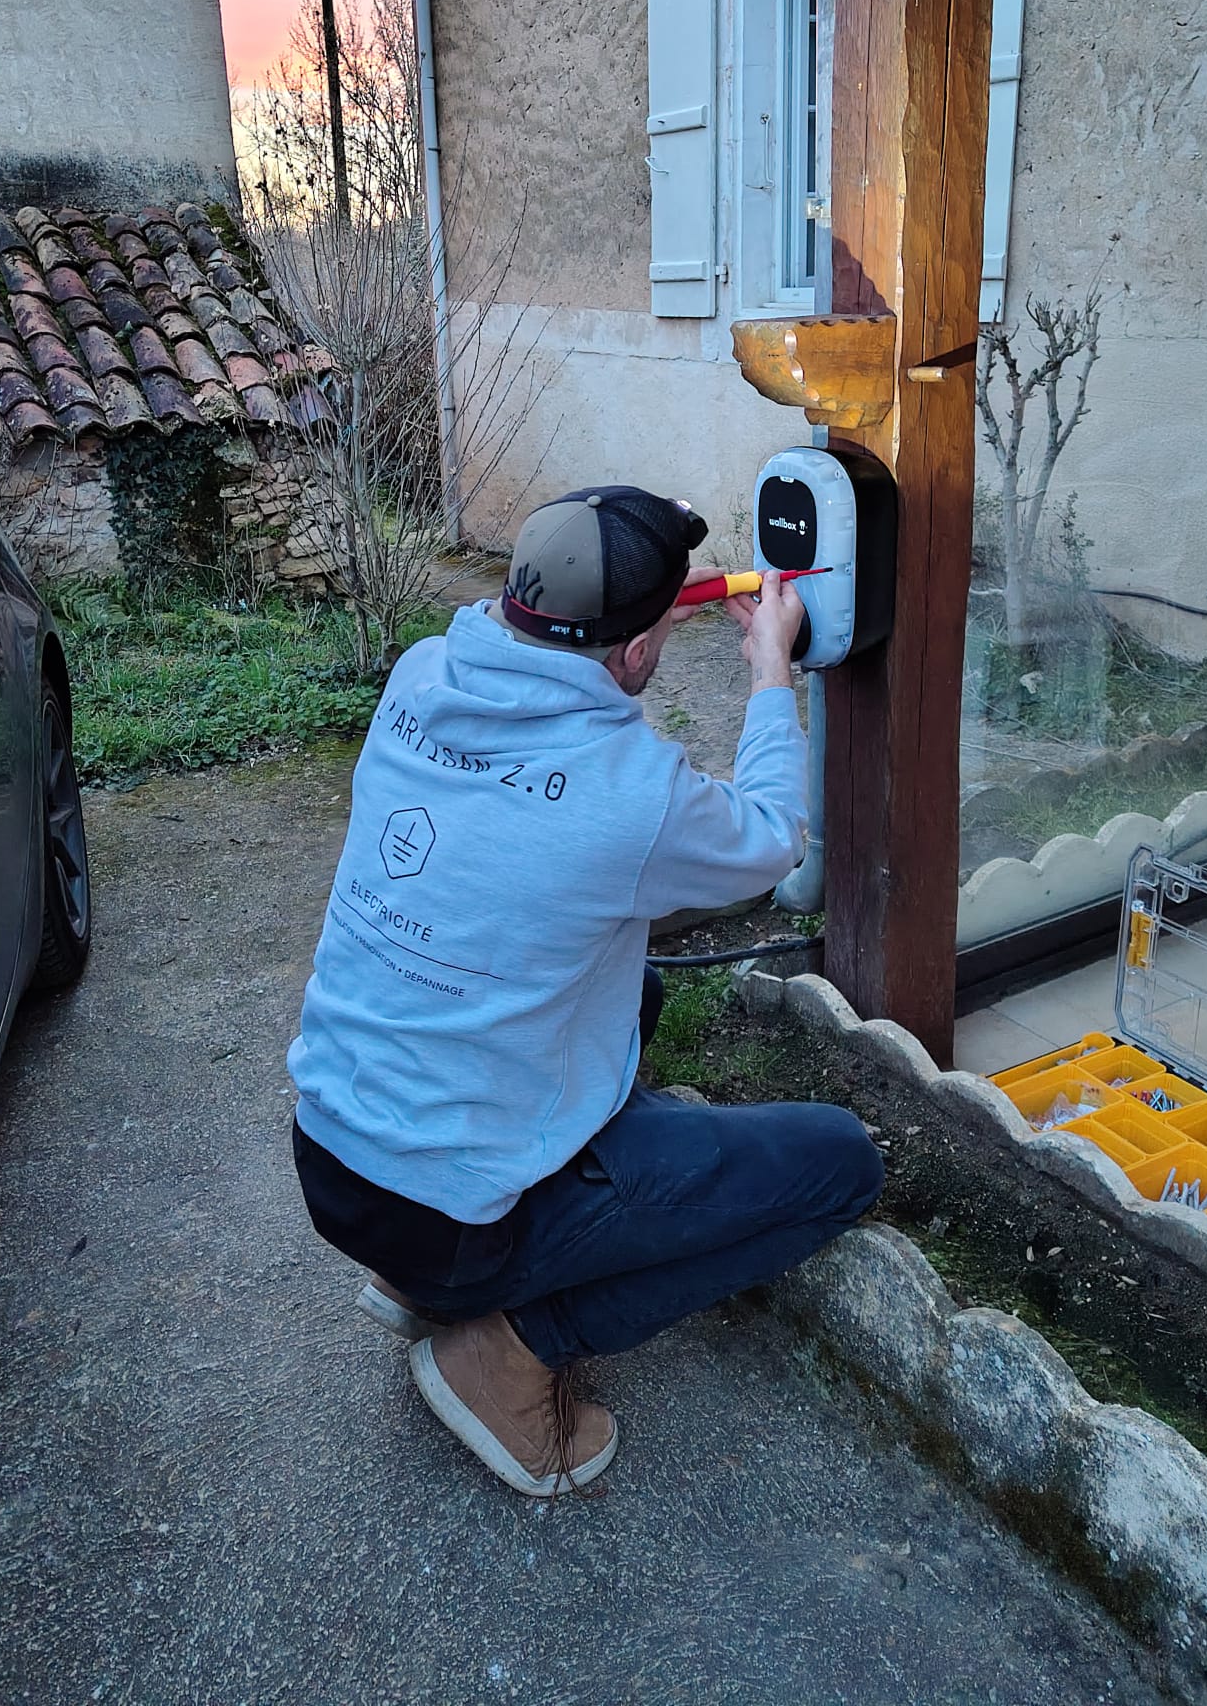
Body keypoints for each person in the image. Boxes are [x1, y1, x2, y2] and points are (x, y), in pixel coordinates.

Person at [287, 485, 884, 1497]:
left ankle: (409, 1280)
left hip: (334, 1159)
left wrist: (626, 629)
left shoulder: (420, 676)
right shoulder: (631, 794)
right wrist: (772, 669)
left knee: (626, 985)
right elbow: (771, 837)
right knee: (838, 1164)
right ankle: (510, 1345)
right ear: (638, 654)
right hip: (457, 1218)